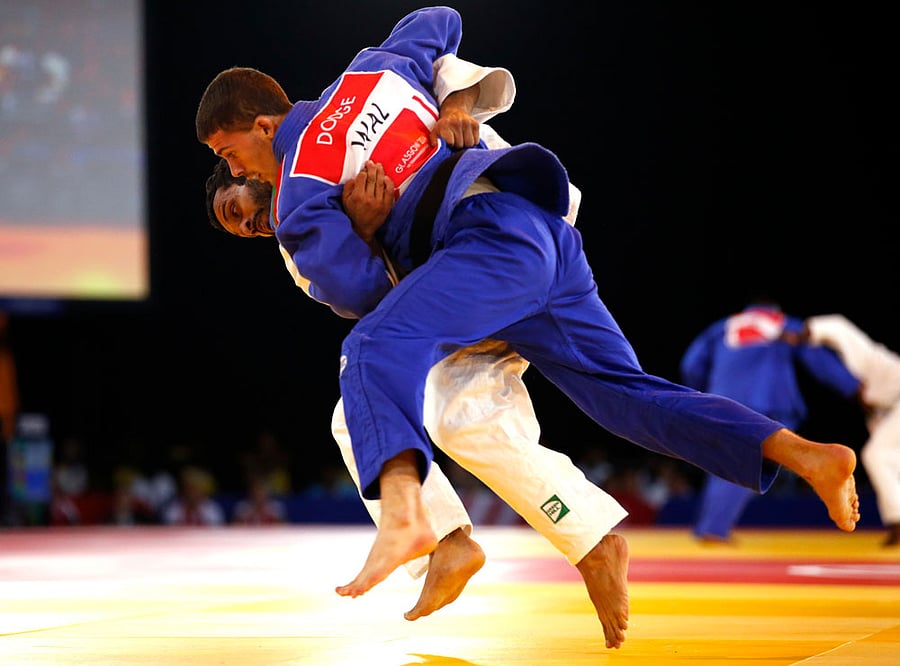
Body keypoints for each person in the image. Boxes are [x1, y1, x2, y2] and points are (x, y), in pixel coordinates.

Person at [196, 6, 859, 648]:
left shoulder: (302, 197)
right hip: (541, 231)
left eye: (231, 160)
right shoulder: (371, 72)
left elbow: (362, 293)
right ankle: (801, 454)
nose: (240, 177)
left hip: (482, 255)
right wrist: (455, 97)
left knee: (369, 355)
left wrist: (371, 223)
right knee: (621, 396)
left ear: (260, 125)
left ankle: (415, 523)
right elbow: (437, 19)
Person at [203, 51, 629, 636]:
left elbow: (438, 50)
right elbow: (377, 303)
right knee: (441, 418)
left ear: (253, 154)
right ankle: (491, 543)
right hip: (468, 288)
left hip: (504, 227)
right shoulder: (302, 239)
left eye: (241, 206)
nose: (253, 224)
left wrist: (458, 103)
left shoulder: (340, 116)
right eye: (242, 231)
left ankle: (491, 544)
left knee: (399, 407)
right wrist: (364, 231)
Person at [680, 298, 861, 542]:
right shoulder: (784, 323)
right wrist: (853, 387)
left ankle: (712, 525)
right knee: (749, 462)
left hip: (722, 401)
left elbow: (691, 363)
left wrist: (702, 394)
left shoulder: (723, 326)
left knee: (727, 463)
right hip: (769, 400)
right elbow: (818, 358)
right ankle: (714, 528)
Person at [802, 314, 900, 547]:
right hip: (892, 409)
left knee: (876, 455)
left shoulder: (873, 360)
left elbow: (838, 326)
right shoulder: (876, 404)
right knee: (888, 459)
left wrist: (809, 330)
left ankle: (898, 521)